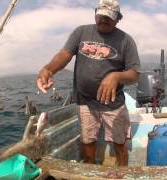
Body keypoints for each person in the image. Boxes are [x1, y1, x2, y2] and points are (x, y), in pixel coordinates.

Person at [36, 0, 140, 166]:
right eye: (101, 15)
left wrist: (116, 76)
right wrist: (49, 69)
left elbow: (134, 74)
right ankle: (90, 168)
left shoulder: (126, 41)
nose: (104, 20)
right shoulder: (81, 32)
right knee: (87, 141)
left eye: (109, 17)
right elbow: (64, 55)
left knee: (119, 144)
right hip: (85, 102)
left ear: (118, 19)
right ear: (95, 13)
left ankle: (122, 172)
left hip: (113, 104)